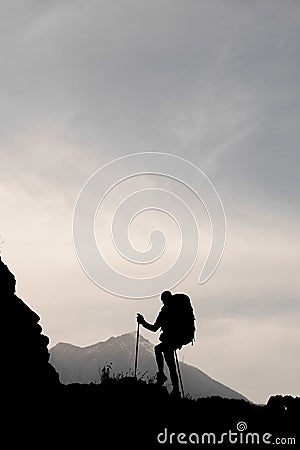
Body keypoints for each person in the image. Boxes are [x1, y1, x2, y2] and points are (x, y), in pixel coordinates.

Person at [137, 290, 182, 397]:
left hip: (169, 341)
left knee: (158, 350)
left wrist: (142, 322)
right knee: (172, 366)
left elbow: (154, 328)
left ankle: (162, 376)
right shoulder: (177, 311)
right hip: (175, 341)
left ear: (163, 300)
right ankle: (176, 390)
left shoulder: (165, 312)